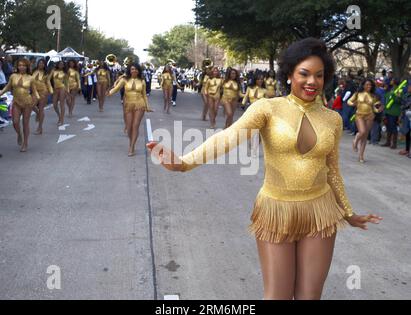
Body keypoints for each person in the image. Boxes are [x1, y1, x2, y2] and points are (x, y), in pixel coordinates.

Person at [147, 38, 382, 300]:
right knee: (277, 296)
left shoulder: (333, 119)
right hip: (275, 210)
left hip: (321, 212)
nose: (311, 81)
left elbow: (333, 170)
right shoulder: (268, 108)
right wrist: (184, 162)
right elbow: (228, 137)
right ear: (290, 74)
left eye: (319, 75)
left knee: (309, 297)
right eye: (304, 74)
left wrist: (348, 213)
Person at [108, 63, 152, 157]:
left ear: (139, 70)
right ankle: (131, 142)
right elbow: (116, 89)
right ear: (129, 70)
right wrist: (109, 93)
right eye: (132, 69)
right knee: (129, 127)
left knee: (135, 126)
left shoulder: (142, 81)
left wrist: (147, 107)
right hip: (128, 104)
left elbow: (144, 95)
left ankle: (132, 147)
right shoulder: (124, 79)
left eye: (136, 69)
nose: (134, 71)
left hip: (140, 104)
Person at [0, 58, 40, 152]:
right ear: (17, 66)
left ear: (27, 67)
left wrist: (36, 100)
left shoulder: (31, 78)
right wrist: (0, 93)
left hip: (27, 103)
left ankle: (25, 143)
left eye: (23, 65)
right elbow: (7, 87)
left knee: (25, 124)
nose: (21, 67)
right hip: (16, 102)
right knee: (15, 122)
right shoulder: (13, 76)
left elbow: (34, 92)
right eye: (20, 65)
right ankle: (19, 134)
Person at [348, 79, 382, 163]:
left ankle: (361, 156)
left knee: (365, 136)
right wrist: (353, 104)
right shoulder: (357, 94)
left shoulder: (374, 95)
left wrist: (378, 110)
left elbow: (375, 107)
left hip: (370, 116)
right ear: (363, 85)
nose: (369, 86)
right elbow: (349, 101)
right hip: (359, 115)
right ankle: (355, 140)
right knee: (362, 132)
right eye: (367, 84)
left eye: (370, 85)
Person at [32, 59, 53, 135]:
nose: (41, 64)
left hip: (43, 92)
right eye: (39, 63)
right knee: (31, 105)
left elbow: (48, 83)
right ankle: (37, 113)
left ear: (44, 65)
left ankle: (40, 128)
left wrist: (51, 92)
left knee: (41, 109)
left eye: (42, 63)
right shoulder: (33, 71)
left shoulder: (46, 73)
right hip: (35, 91)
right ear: (38, 64)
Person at [382, 79, 402, 149]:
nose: (391, 81)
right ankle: (388, 142)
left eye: (392, 80)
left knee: (393, 127)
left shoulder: (398, 90)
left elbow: (399, 100)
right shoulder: (390, 89)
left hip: (394, 111)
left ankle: (394, 143)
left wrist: (394, 96)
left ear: (395, 82)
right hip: (388, 110)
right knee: (388, 126)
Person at [50, 61, 69, 126]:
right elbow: (48, 79)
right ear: (57, 65)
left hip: (62, 88)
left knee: (62, 104)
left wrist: (67, 92)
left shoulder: (65, 73)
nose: (61, 65)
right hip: (55, 89)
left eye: (62, 64)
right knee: (54, 105)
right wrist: (50, 88)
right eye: (60, 64)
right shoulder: (53, 71)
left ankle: (62, 120)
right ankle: (59, 116)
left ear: (64, 66)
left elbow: (66, 83)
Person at [399, 83, 411, 157]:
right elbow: (403, 104)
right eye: (409, 87)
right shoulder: (406, 95)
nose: (409, 88)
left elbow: (406, 105)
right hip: (407, 115)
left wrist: (404, 106)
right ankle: (407, 149)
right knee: (407, 133)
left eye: (410, 87)